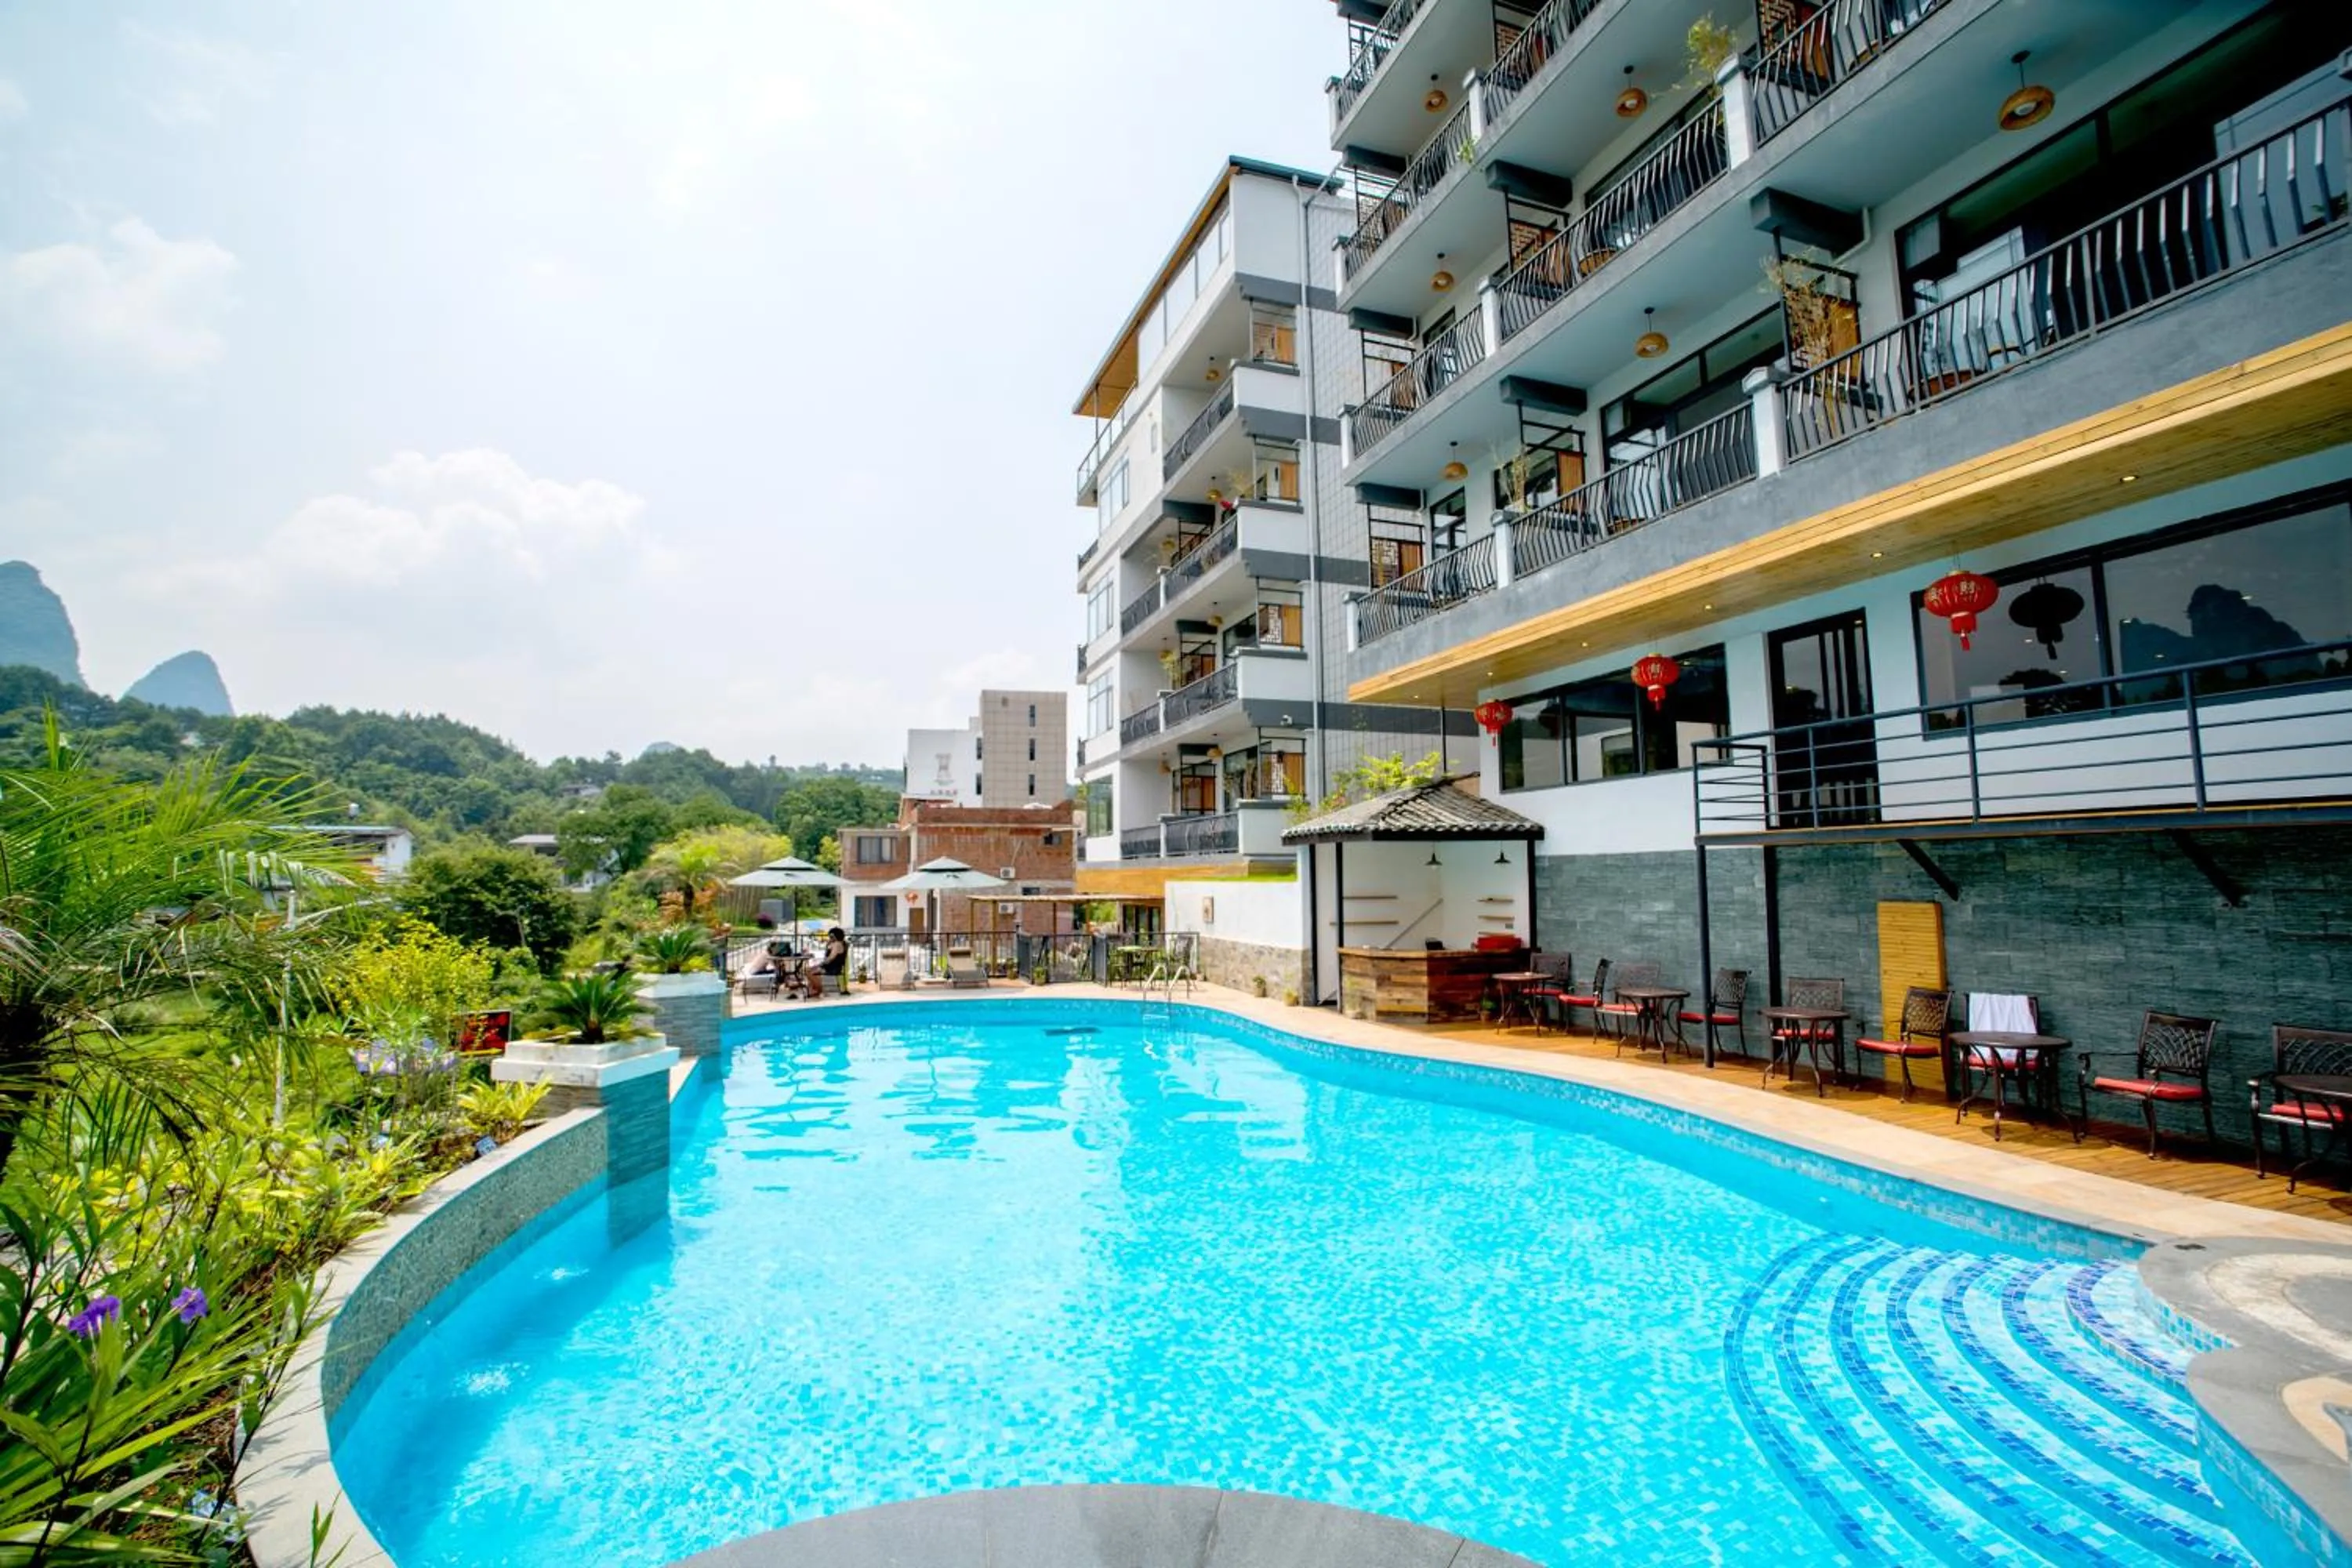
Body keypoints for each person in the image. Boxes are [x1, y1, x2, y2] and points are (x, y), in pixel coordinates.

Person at [810, 927, 849, 1000]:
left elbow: (831, 958)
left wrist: (821, 965)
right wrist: (827, 946)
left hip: (832, 968)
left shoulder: (837, 944)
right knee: (810, 970)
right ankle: (815, 990)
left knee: (810, 971)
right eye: (830, 936)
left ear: (836, 936)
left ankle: (818, 990)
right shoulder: (839, 943)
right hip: (832, 966)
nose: (830, 938)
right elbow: (828, 957)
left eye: (831, 936)